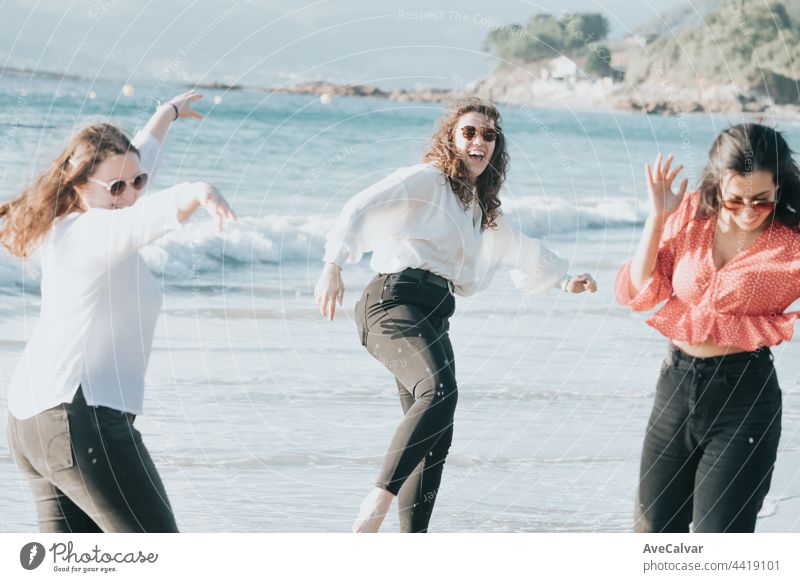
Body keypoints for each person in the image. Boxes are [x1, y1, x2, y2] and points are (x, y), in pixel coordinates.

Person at [315, 98, 597, 533]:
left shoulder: (480, 210)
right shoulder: (428, 180)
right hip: (391, 303)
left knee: (437, 433)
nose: (478, 141)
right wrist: (333, 264)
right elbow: (363, 203)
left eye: (488, 135)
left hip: (431, 317)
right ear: (452, 137)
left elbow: (521, 248)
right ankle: (374, 507)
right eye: (469, 132)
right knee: (439, 392)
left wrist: (563, 280)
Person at [1, 91, 236, 532]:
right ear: (78, 186)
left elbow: (135, 165)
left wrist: (166, 115)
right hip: (80, 417)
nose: (129, 195)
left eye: (139, 183)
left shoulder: (75, 219)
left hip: (35, 421)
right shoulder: (91, 232)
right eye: (116, 188)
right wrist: (197, 191)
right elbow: (140, 219)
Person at [615, 123, 800, 532]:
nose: (749, 211)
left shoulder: (791, 244)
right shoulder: (691, 217)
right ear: (718, 187)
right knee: (654, 539)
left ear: (779, 191)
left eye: (762, 201)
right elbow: (642, 287)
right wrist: (657, 217)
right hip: (675, 390)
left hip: (744, 400)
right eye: (735, 200)